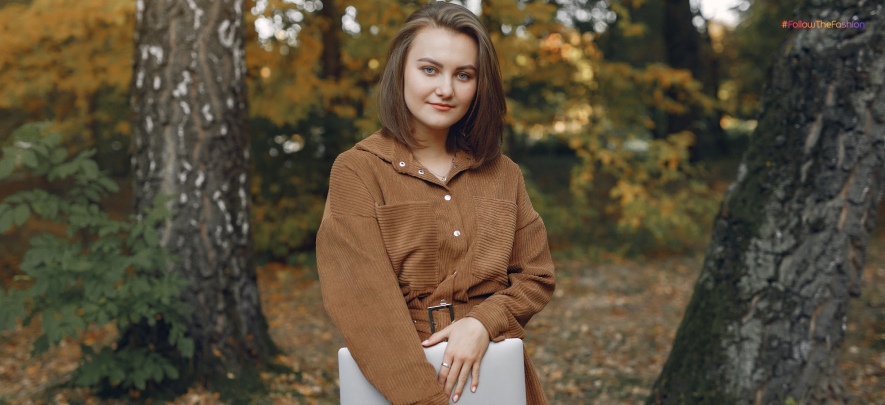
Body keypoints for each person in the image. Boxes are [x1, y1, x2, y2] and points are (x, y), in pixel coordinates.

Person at [316, 2, 555, 404]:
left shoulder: (503, 172)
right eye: (429, 69)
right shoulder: (357, 172)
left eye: (463, 75)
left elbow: (537, 277)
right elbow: (365, 308)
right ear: (401, 72)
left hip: (497, 378)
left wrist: (483, 321)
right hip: (402, 384)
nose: (446, 89)